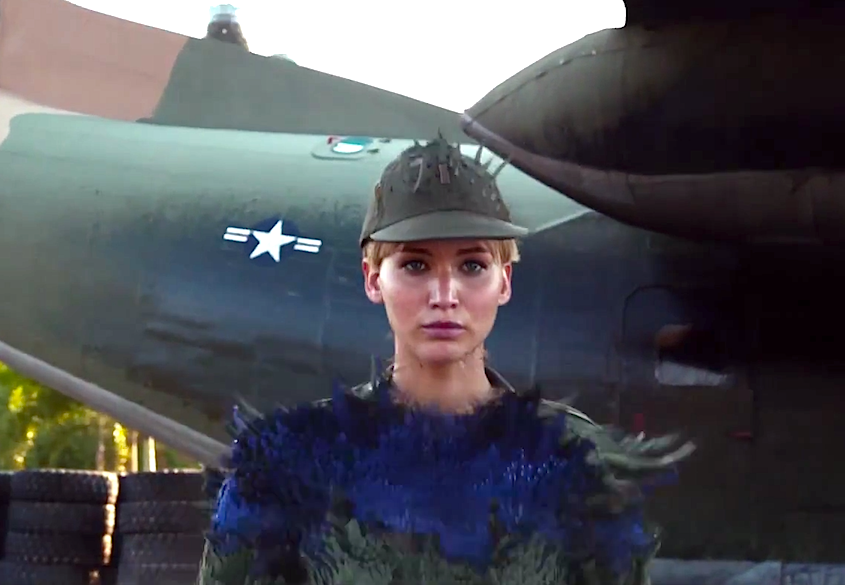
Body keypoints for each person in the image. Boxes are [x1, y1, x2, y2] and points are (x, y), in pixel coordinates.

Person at [196, 138, 695, 585]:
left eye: (472, 265)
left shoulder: (579, 463)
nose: (444, 294)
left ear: (504, 282)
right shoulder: (286, 469)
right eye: (415, 265)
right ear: (373, 279)